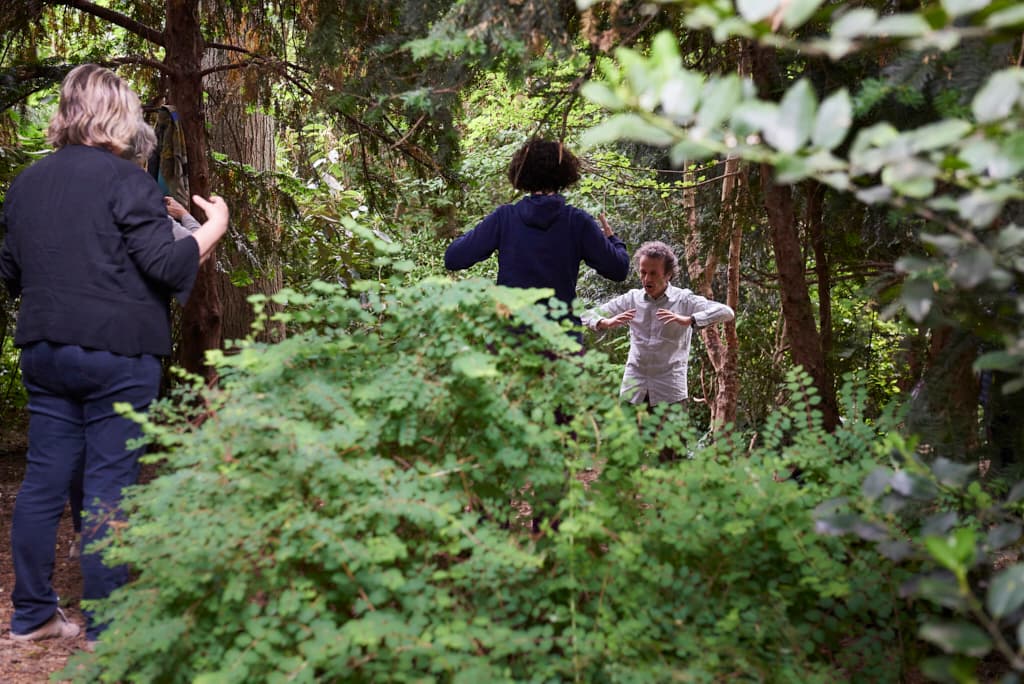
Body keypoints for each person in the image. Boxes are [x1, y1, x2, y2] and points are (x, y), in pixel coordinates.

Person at [0, 64, 229, 645]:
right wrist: (214, 225)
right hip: (119, 357)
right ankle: (108, 629)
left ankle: (33, 616)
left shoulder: (26, 183)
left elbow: (10, 272)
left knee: (43, 482)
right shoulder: (129, 181)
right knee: (108, 486)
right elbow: (169, 264)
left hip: (45, 351)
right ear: (118, 115)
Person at [444, 139, 630, 322]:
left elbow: (453, 257)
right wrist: (613, 239)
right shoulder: (577, 221)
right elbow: (619, 269)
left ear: (522, 173)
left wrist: (479, 233)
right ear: (565, 173)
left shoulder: (505, 218)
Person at [582, 241, 734, 405]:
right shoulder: (632, 299)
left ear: (668, 274)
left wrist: (690, 319)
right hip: (633, 391)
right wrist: (605, 322)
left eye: (653, 273)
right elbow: (585, 315)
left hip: (669, 393)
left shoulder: (683, 300)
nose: (646, 278)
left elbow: (726, 312)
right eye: (643, 272)